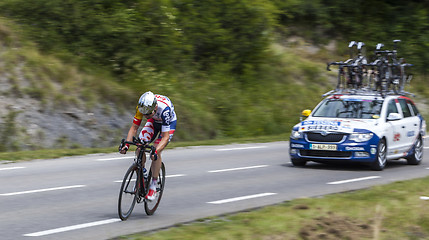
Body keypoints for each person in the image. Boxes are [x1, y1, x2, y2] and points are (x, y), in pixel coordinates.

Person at [120, 91, 177, 201]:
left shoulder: (164, 110)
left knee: (156, 151)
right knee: (140, 143)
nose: (145, 116)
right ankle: (143, 174)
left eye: (148, 114)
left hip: (168, 124)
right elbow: (134, 128)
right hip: (154, 121)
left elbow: (165, 137)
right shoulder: (142, 108)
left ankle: (153, 186)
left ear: (155, 108)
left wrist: (156, 151)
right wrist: (126, 145)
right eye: (144, 114)